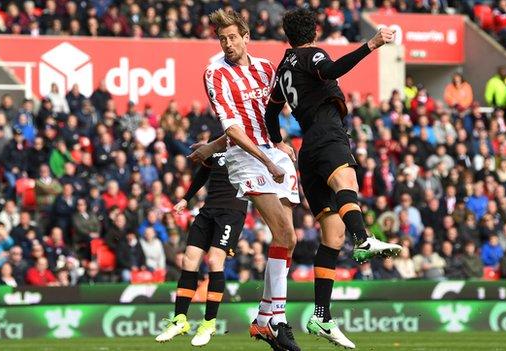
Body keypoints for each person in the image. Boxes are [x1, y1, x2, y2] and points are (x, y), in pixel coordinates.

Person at [262, 8, 401, 348]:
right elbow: (333, 69)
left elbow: (269, 113)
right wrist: (371, 44)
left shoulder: (283, 69)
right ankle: (365, 239)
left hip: (308, 150)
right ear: (314, 31)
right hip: (327, 136)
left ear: (287, 36)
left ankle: (321, 316)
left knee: (332, 236)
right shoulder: (313, 55)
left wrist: (279, 141)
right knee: (346, 186)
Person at [189, 10, 300, 351]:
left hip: (273, 153)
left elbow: (272, 112)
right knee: (284, 233)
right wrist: (267, 159)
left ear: (246, 36)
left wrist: (279, 144)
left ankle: (264, 321)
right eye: (222, 39)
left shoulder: (267, 68)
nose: (228, 44)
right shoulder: (215, 74)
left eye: (233, 37)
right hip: (246, 160)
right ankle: (276, 320)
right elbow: (234, 130)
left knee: (288, 241)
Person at [156, 134, 249, 347]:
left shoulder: (248, 145)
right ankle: (180, 320)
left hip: (231, 212)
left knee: (215, 262)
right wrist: (185, 199)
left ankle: (209, 323)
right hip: (208, 210)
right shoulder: (218, 145)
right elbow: (202, 173)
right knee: (188, 261)